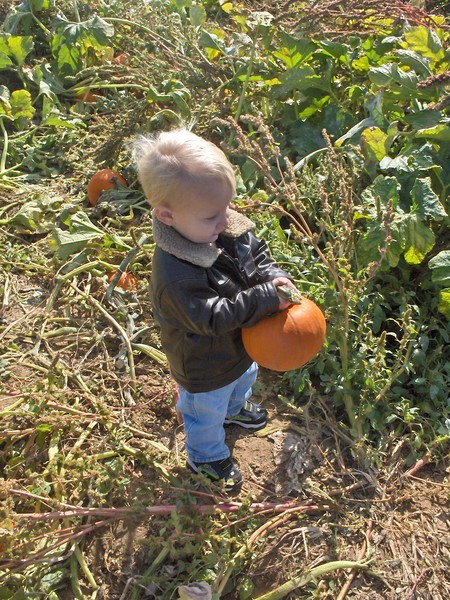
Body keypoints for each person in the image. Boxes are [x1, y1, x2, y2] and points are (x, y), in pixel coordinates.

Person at [132, 128, 298, 493]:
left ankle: (235, 409)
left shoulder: (220, 226)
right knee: (204, 411)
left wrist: (275, 278)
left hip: (239, 345)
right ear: (167, 215)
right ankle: (204, 456)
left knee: (244, 377)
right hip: (203, 363)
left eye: (226, 208)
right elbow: (211, 317)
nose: (224, 220)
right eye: (212, 216)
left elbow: (258, 255)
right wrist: (265, 299)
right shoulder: (174, 275)